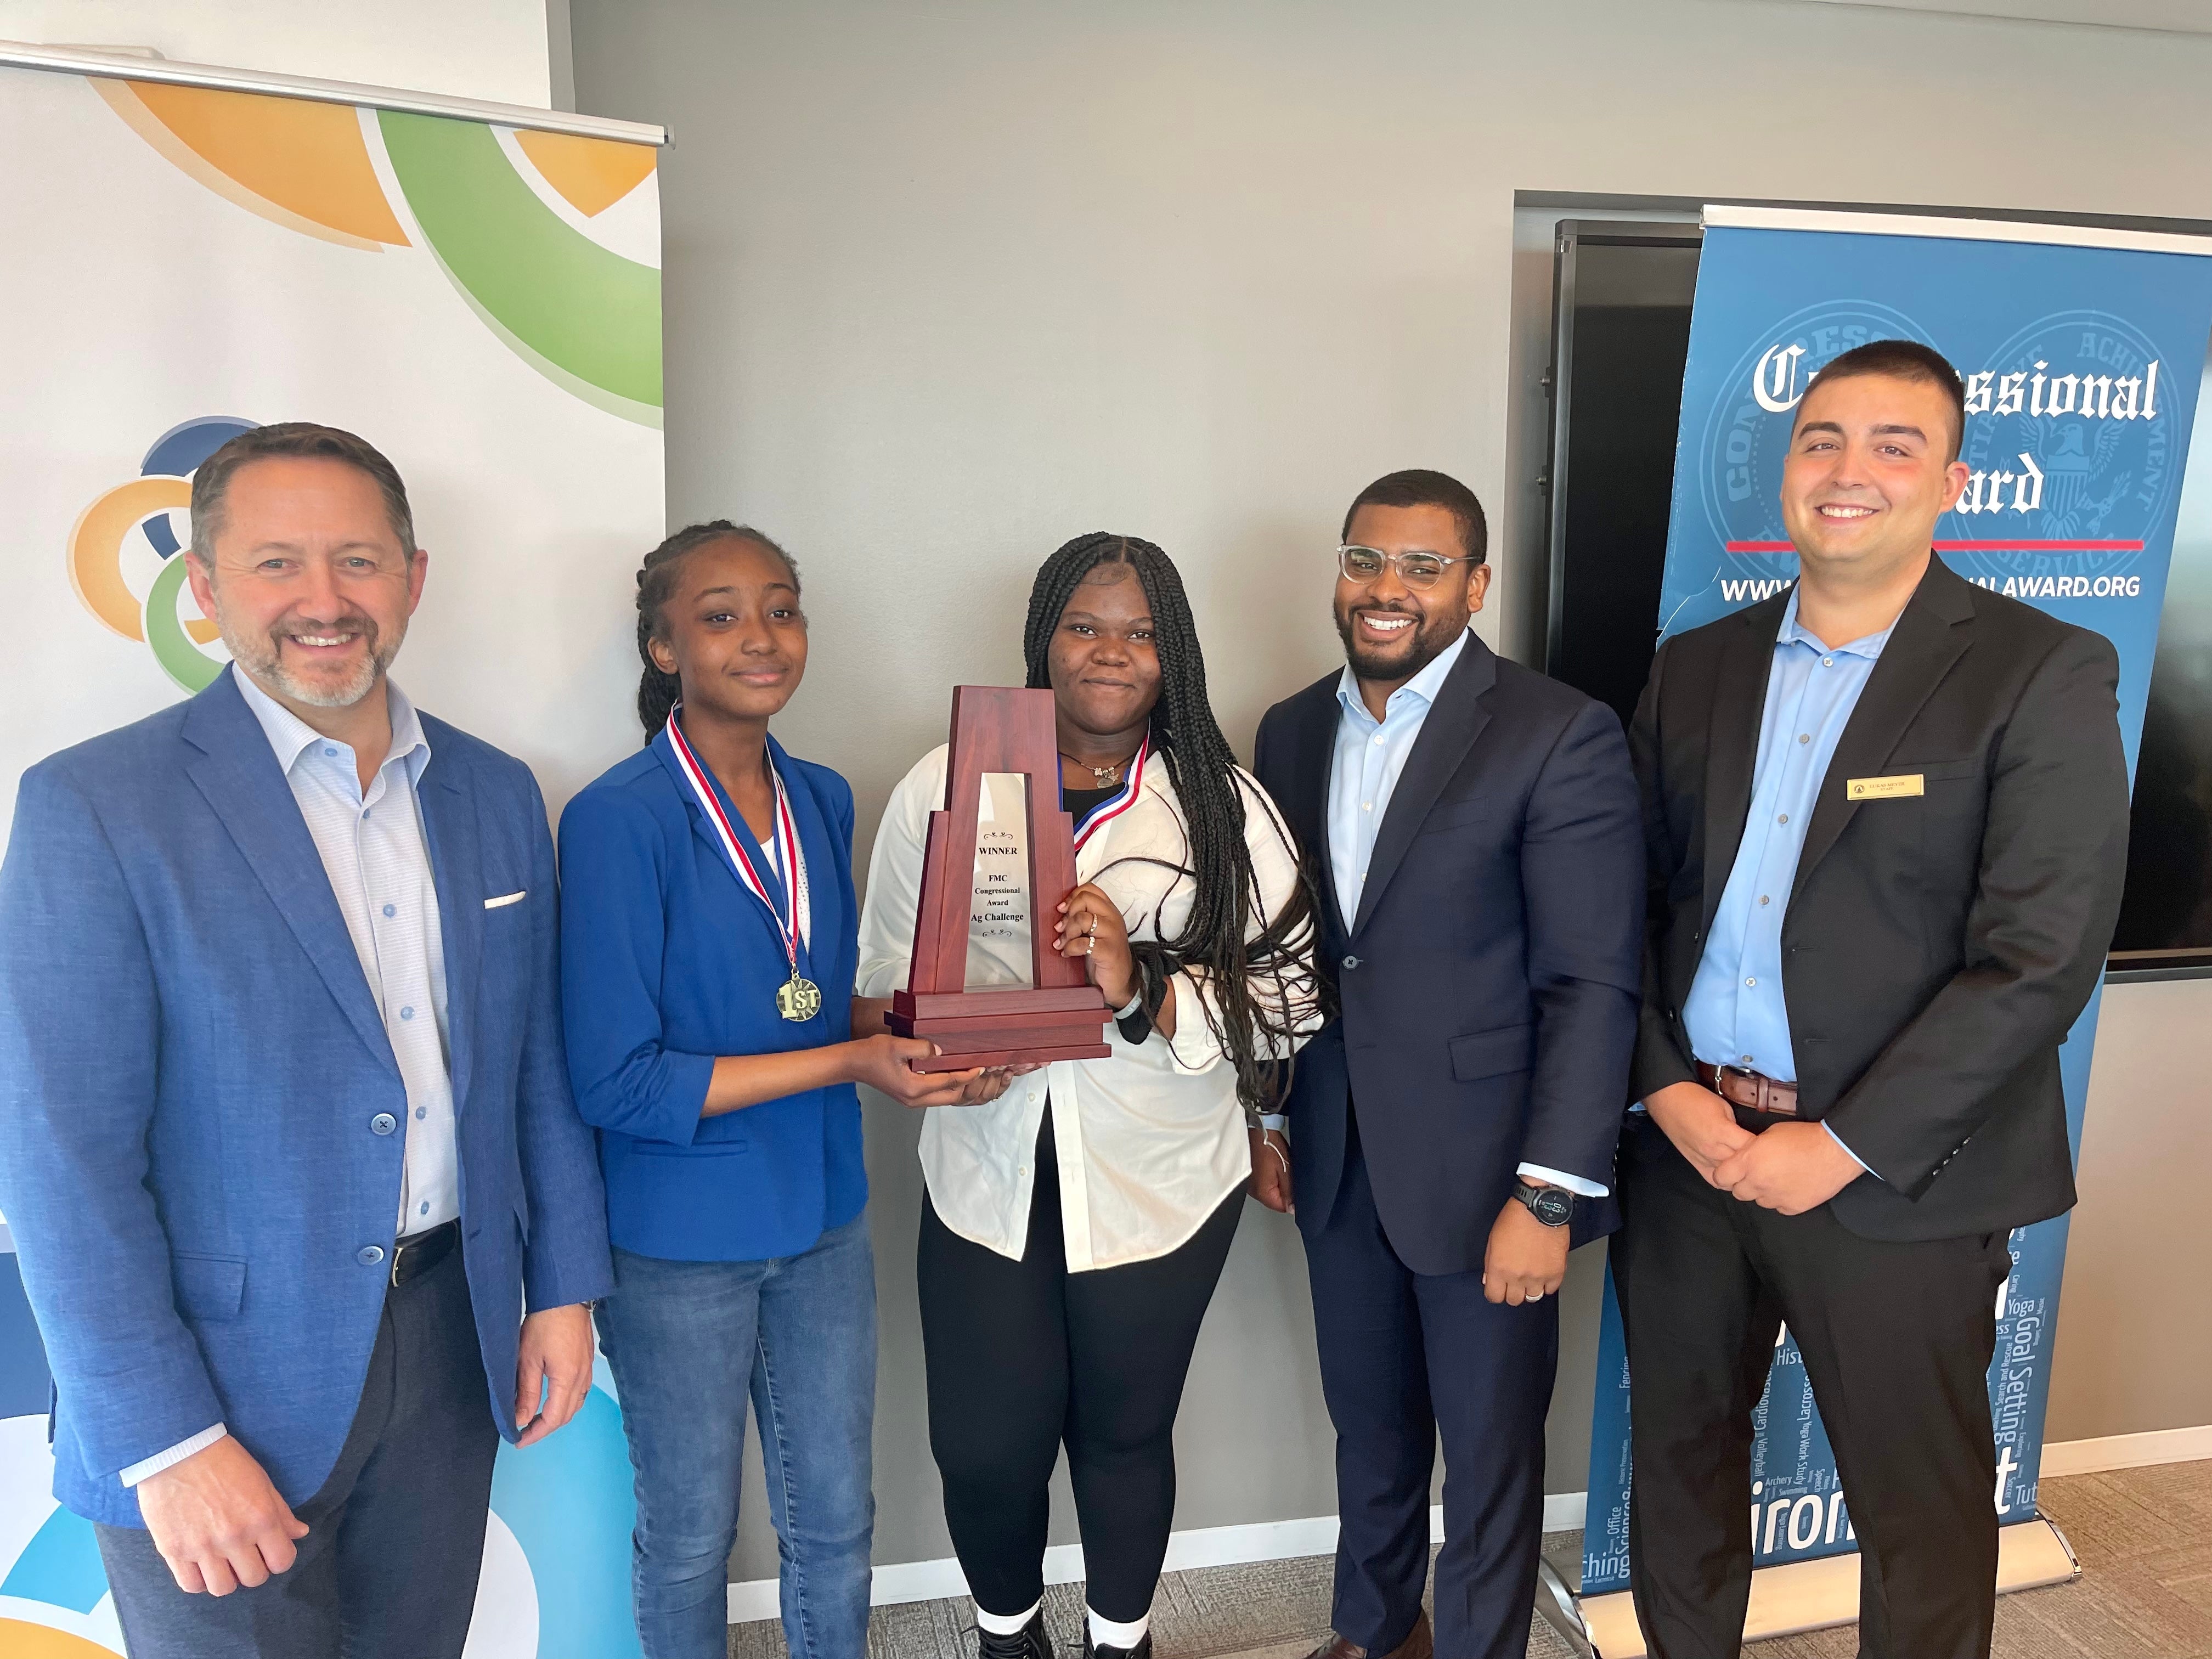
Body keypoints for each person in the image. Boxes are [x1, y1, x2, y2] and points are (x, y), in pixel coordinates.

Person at [0, 423, 613, 1658]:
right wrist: (166, 1442)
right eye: (277, 564)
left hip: (451, 1338)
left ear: (414, 579)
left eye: (359, 561)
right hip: (217, 1381)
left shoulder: (495, 792)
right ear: (210, 591)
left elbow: (532, 1064)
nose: (324, 601)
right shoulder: (94, 806)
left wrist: (563, 1289)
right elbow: (60, 1155)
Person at [1620, 340, 2131, 1659]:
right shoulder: (1698, 667)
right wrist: (1668, 1089)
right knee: (1677, 1468)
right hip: (1691, 1152)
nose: (1849, 472)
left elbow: (2040, 959)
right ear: (1789, 471)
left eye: (1893, 445)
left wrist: (1839, 1146)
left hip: (1900, 1178)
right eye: (1822, 440)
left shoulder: (2041, 670)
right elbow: (1620, 909)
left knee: (1920, 1513)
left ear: (1953, 480)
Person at [856, 533, 1321, 1659]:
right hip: (987, 1169)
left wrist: (1143, 983)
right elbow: (877, 992)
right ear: (1042, 639)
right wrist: (932, 1057)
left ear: (1174, 655)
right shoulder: (944, 785)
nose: (1111, 652)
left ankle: (1125, 1644)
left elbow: (1298, 1000)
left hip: (1159, 1179)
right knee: (984, 1447)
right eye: (1084, 625)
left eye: (1141, 631)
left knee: (1121, 1433)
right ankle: (1008, 1642)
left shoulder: (1223, 806)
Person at [559, 522, 1006, 1659]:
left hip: (820, 1218)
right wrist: (858, 1061)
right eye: (719, 616)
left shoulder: (822, 796)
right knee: (692, 1535)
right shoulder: (620, 820)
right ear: (664, 648)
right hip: (679, 1245)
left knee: (836, 1523)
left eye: (781, 608)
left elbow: (806, 995)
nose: (760, 637)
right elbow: (617, 1081)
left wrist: (924, 1028)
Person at [1251, 470, 1644, 1659]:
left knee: (1485, 1459)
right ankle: (1372, 1635)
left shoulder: (1556, 731)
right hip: (1337, 1155)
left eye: (1424, 567)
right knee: (1367, 1434)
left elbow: (1593, 984)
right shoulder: (1290, 728)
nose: (1387, 588)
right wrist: (1272, 1119)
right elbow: (1283, 947)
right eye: (1366, 559)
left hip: (1491, 1178)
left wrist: (1548, 1194)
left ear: (1476, 584)